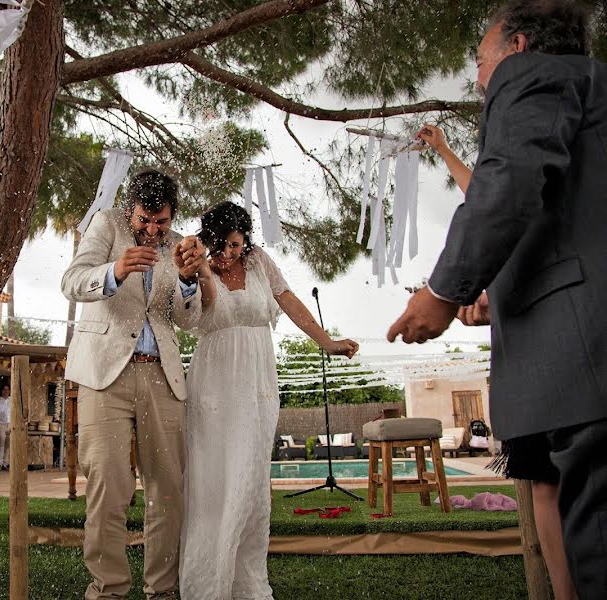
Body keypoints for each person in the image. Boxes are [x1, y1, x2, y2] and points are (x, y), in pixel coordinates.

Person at [388, 2, 606, 595]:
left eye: (481, 61)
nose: (480, 79)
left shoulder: (532, 74)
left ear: (518, 46)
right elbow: (563, 222)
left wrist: (441, 293)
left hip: (584, 365)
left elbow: (506, 185)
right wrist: (498, 294)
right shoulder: (588, 98)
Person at [417, 123, 575, 600]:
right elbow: (481, 196)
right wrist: (484, 311)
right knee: (543, 485)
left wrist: (441, 298)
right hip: (525, 365)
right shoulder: (503, 212)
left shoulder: (564, 197)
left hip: (573, 357)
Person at [179, 201, 358, 599]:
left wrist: (325, 341)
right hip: (216, 383)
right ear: (211, 241)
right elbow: (205, 308)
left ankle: (247, 584)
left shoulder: (259, 262)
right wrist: (206, 271)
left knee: (252, 477)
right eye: (224, 245)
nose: (232, 252)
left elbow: (289, 300)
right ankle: (210, 584)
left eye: (238, 244)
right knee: (217, 478)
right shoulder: (201, 268)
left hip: (258, 380)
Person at [61, 169, 205, 600]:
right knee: (108, 484)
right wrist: (115, 270)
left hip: (162, 376)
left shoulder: (180, 244)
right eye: (145, 220)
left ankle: (162, 591)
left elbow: (189, 320)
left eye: (161, 222)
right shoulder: (106, 225)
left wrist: (187, 281)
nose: (152, 230)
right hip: (105, 376)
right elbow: (71, 282)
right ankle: (108, 590)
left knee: (168, 488)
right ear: (131, 209)